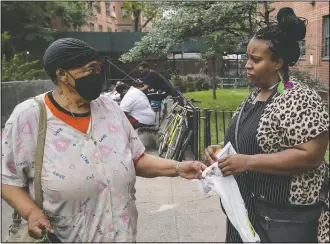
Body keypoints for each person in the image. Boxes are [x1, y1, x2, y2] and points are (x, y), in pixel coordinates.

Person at [1, 38, 207, 243]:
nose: (97, 74)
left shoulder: (110, 109)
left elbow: (136, 159)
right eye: (90, 69)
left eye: (98, 68)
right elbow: (7, 180)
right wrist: (31, 213)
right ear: (62, 74)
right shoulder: (29, 117)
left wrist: (179, 167)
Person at [204, 8, 329, 243]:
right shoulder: (255, 96)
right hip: (246, 213)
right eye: (247, 58)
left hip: (283, 220)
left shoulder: (298, 97)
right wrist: (221, 149)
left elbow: (311, 156)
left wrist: (247, 162)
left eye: (256, 60)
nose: (247, 65)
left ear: (278, 62)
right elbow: (253, 139)